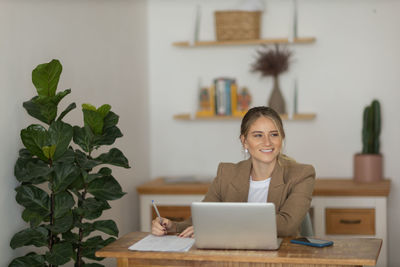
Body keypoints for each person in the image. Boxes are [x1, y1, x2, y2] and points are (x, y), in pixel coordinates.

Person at [152, 106, 315, 238]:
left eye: (274, 134)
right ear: (244, 141)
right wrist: (173, 226)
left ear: (281, 138)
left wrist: (218, 226)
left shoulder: (301, 175)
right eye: (258, 135)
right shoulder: (227, 173)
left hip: (281, 259)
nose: (267, 142)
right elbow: (200, 221)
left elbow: (286, 226)